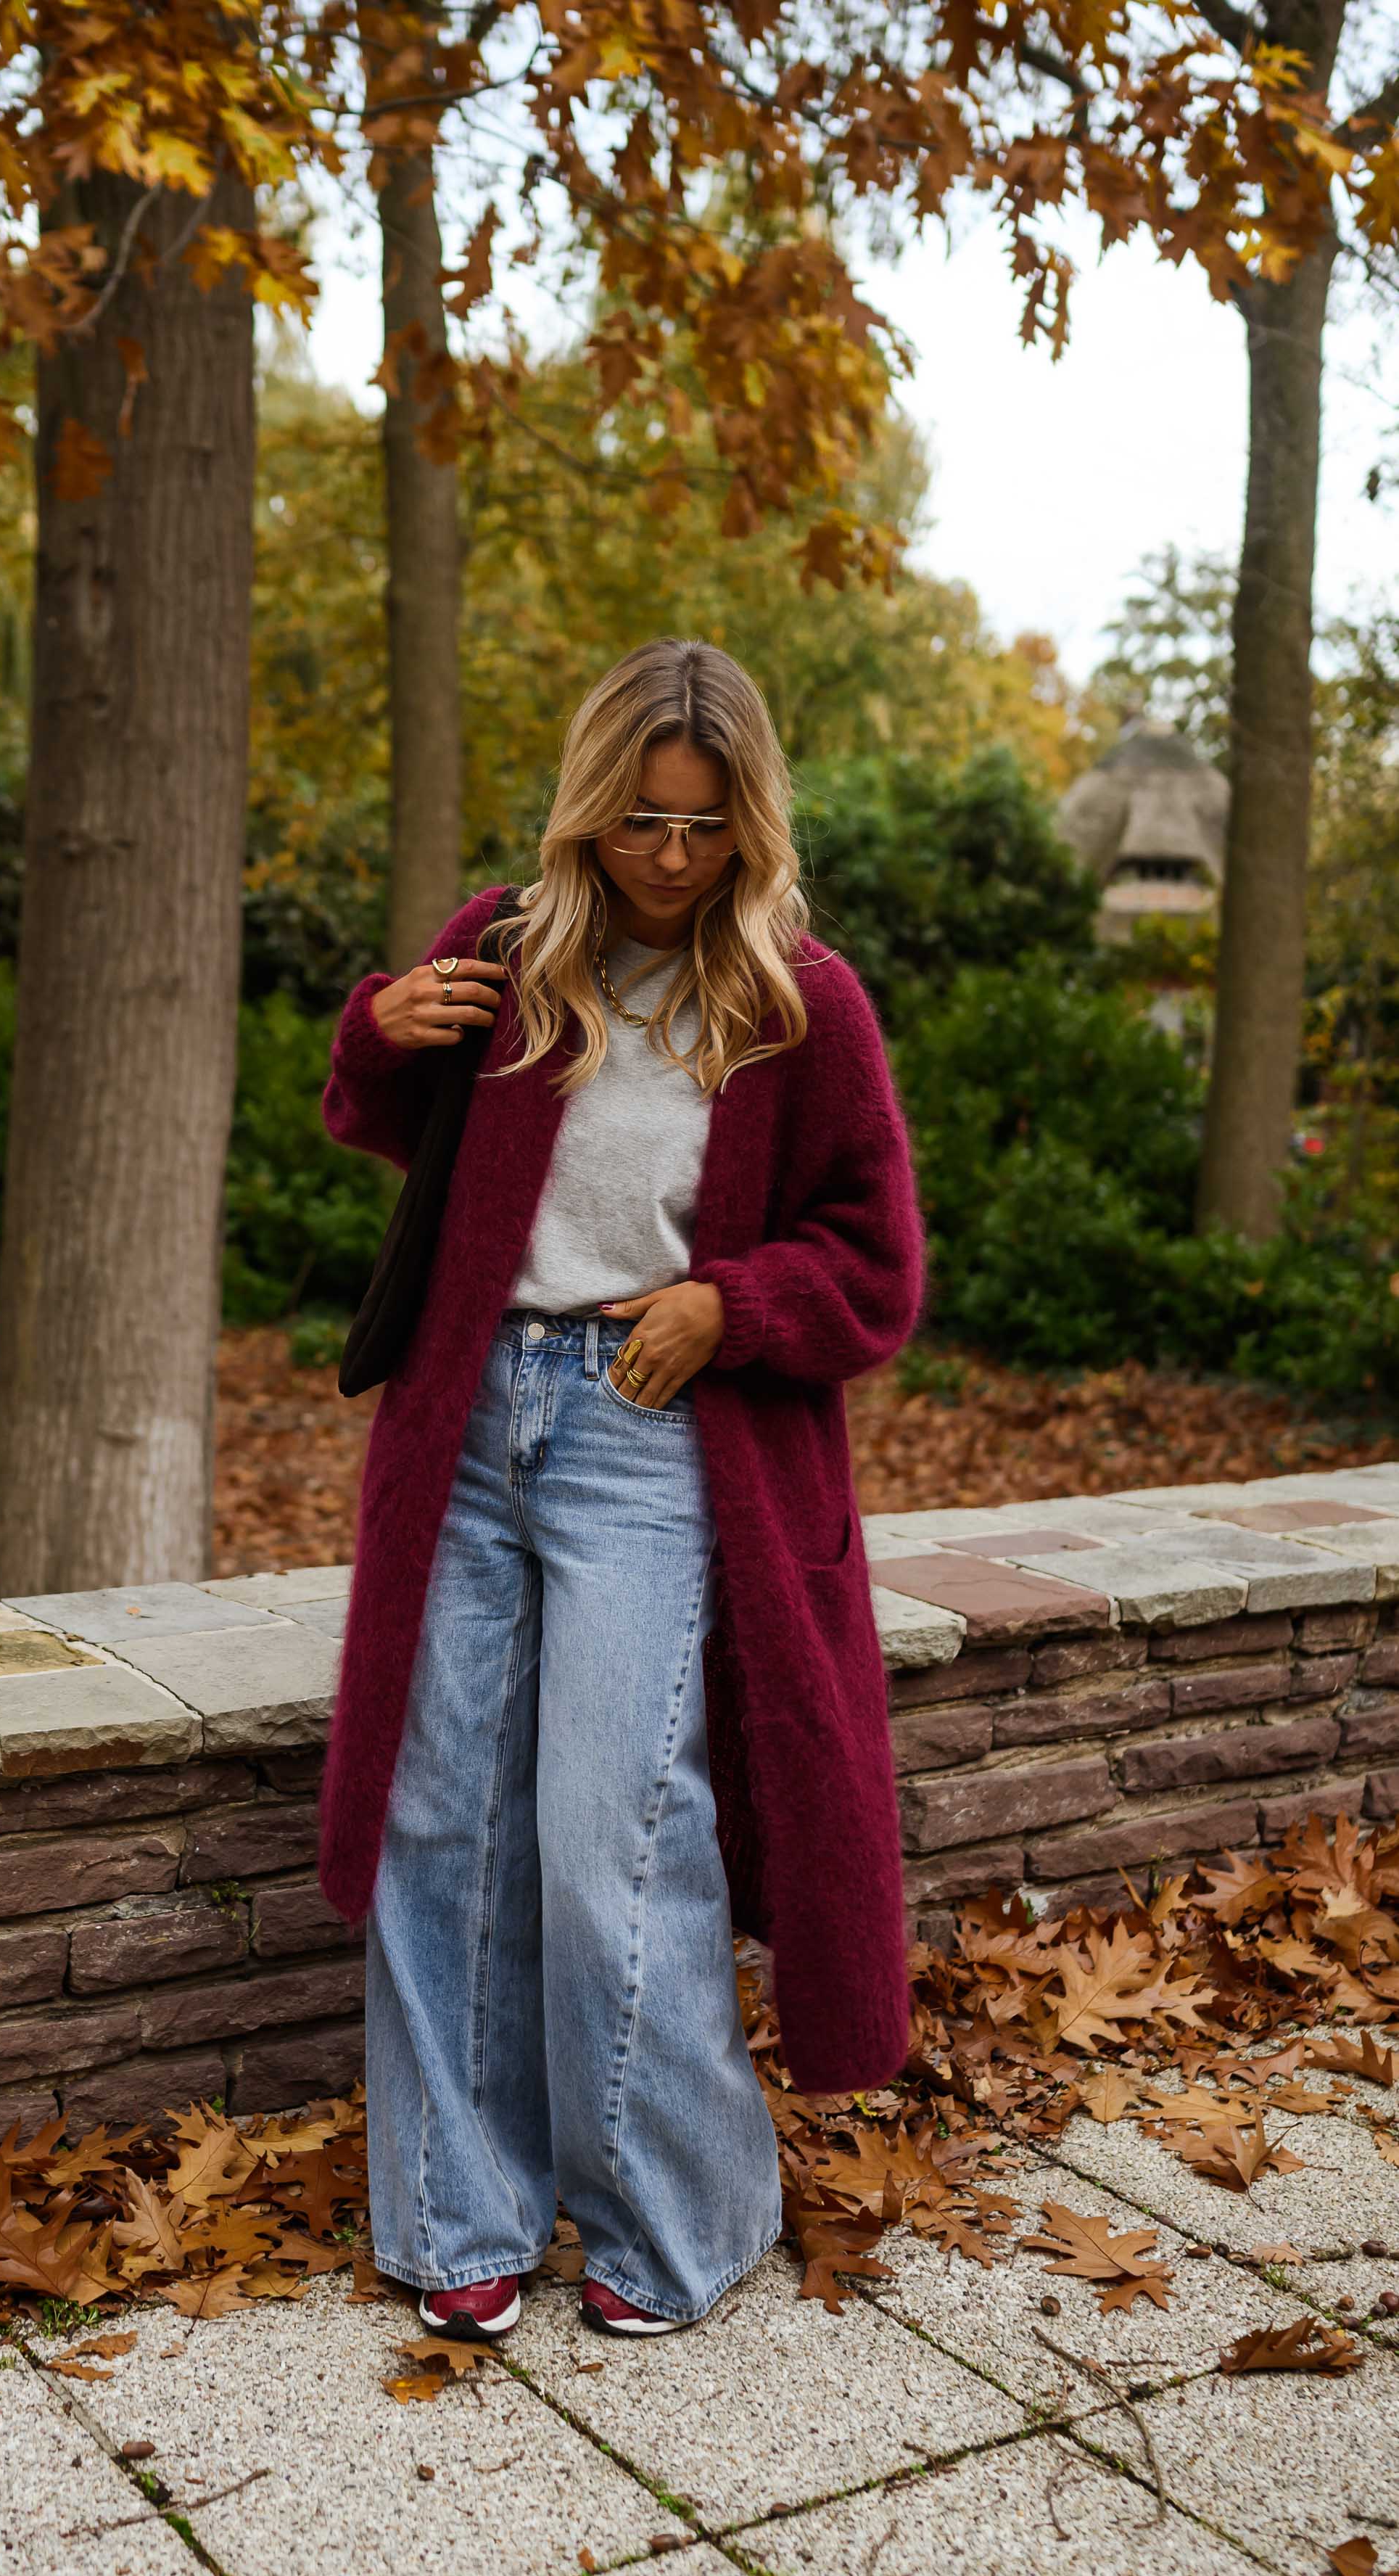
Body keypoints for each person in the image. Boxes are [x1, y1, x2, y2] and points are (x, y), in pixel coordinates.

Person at [318, 639, 923, 2342]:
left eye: (704, 826)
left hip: (649, 1428)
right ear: (590, 809)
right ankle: (458, 2219)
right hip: (467, 1422)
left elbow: (875, 1265)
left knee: (612, 1836)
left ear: (752, 822)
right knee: (443, 1826)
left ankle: (676, 2218)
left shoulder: (800, 1000)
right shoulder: (504, 951)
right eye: (641, 822)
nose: (669, 856)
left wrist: (731, 1304)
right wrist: (377, 1033)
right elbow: (386, 1121)